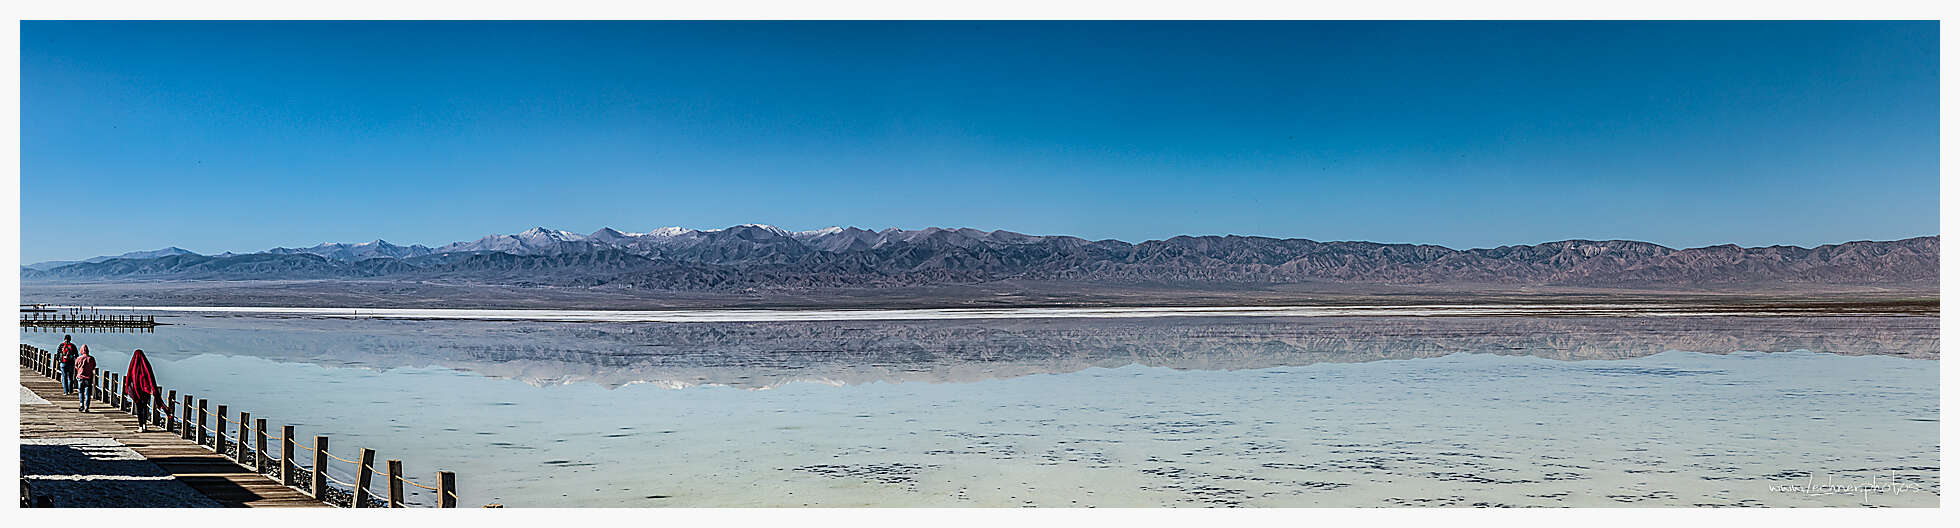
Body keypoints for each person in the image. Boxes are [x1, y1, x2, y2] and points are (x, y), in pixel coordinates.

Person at [124, 349, 160, 433]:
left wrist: (129, 389)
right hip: (145, 391)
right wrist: (152, 389)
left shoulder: (133, 366)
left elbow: (129, 378)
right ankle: (144, 425)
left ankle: (140, 426)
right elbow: (151, 377)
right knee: (144, 408)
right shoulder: (146, 365)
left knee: (139, 409)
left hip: (136, 391)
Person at [73, 345, 96, 412]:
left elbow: (76, 366)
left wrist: (80, 371)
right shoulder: (91, 358)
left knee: (81, 392)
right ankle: (86, 407)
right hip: (88, 378)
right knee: (87, 393)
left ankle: (81, 405)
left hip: (80, 377)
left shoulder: (78, 358)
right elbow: (93, 366)